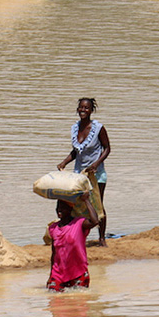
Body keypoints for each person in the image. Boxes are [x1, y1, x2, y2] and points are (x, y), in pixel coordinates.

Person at [57, 97, 111, 246]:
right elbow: (76, 152)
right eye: (81, 107)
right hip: (79, 174)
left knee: (98, 204)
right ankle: (79, 235)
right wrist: (64, 161)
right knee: (78, 204)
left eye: (86, 108)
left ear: (91, 110)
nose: (83, 110)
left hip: (96, 174)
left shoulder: (99, 128)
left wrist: (96, 163)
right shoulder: (75, 128)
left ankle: (102, 238)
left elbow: (107, 148)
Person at [47, 197, 99, 291]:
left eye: (63, 207)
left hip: (78, 271)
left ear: (70, 209)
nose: (59, 210)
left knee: (79, 302)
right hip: (58, 272)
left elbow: (95, 221)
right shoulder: (53, 228)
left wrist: (86, 200)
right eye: (58, 207)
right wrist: (51, 275)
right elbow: (54, 253)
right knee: (54, 301)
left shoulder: (79, 223)